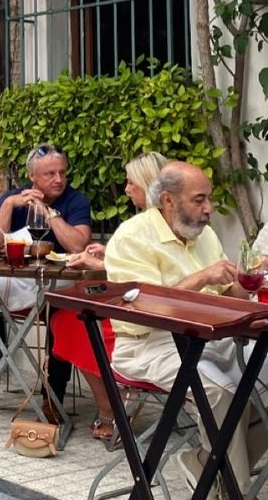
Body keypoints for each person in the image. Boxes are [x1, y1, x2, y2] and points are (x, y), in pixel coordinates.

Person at [105, 161, 268, 496]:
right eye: (199, 200)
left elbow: (226, 298)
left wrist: (250, 280)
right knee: (218, 391)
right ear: (169, 201)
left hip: (210, 340)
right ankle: (233, 489)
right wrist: (203, 277)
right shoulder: (131, 238)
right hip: (149, 345)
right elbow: (144, 307)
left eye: (209, 200)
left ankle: (206, 462)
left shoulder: (205, 235)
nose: (209, 209)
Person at [0, 144, 91, 415]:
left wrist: (49, 214)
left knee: (62, 315)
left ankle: (53, 395)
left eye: (62, 172)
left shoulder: (75, 200)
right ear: (33, 177)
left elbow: (77, 245)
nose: (59, 179)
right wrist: (7, 205)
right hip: (15, 281)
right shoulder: (13, 198)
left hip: (59, 284)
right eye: (50, 174)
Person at [51, 151, 167, 440]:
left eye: (131, 183)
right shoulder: (159, 220)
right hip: (149, 312)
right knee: (69, 318)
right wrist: (109, 255)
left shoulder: (150, 224)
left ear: (149, 185)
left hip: (147, 321)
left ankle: (110, 410)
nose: (127, 189)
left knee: (72, 322)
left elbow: (146, 282)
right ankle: (111, 404)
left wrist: (101, 265)